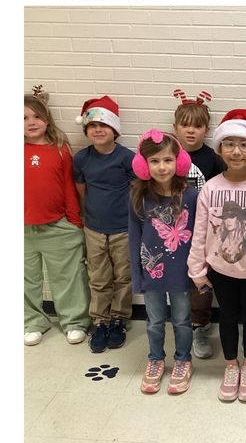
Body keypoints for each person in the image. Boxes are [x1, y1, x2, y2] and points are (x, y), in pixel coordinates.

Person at [187, 109, 246, 403]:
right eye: (229, 144)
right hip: (221, 271)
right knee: (227, 318)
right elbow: (200, 231)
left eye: (243, 144)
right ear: (219, 149)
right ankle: (231, 365)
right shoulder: (211, 188)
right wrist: (197, 270)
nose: (236, 151)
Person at [128, 130, 199, 395]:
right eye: (154, 161)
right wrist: (137, 276)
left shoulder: (191, 196)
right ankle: (156, 358)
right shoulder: (137, 195)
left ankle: (183, 360)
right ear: (143, 164)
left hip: (182, 272)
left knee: (182, 319)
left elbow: (199, 237)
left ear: (178, 162)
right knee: (154, 321)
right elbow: (134, 238)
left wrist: (198, 271)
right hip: (152, 271)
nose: (162, 167)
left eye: (168, 160)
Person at [24, 88, 90, 347]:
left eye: (36, 117)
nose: (31, 123)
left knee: (67, 278)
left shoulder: (60, 149)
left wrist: (74, 222)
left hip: (58, 226)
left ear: (47, 119)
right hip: (23, 229)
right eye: (23, 118)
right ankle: (32, 322)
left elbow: (69, 188)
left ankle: (74, 321)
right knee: (26, 279)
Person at [72, 96, 135, 354]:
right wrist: (87, 216)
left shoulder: (127, 158)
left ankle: (119, 318)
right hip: (94, 229)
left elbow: (136, 191)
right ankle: (100, 320)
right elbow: (81, 189)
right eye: (92, 125)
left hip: (123, 229)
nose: (98, 130)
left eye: (104, 125)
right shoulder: (81, 159)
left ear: (114, 129)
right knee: (98, 276)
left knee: (123, 276)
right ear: (86, 130)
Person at [170, 89, 223, 360]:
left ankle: (200, 325)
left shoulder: (213, 159)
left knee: (200, 281)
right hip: (171, 232)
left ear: (206, 130)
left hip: (203, 232)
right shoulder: (167, 154)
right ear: (175, 127)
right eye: (185, 125)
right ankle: (182, 324)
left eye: (198, 126)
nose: (191, 131)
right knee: (177, 280)